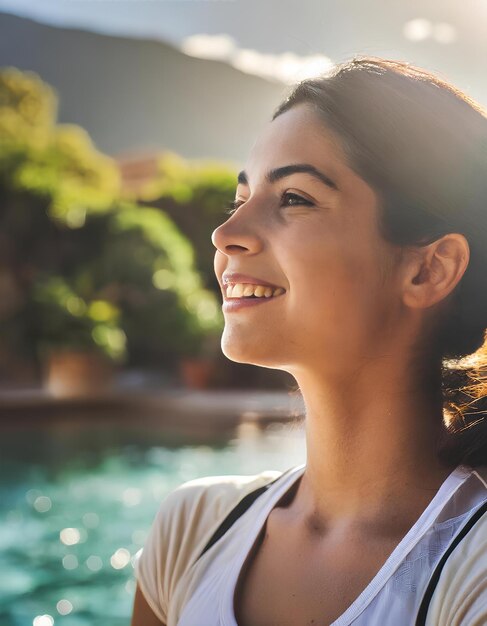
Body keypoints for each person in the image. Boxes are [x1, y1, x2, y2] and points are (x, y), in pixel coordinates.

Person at [130, 56, 487, 626]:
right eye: (239, 199)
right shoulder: (192, 529)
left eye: (294, 198)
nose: (225, 235)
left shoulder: (474, 572)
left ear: (430, 269)